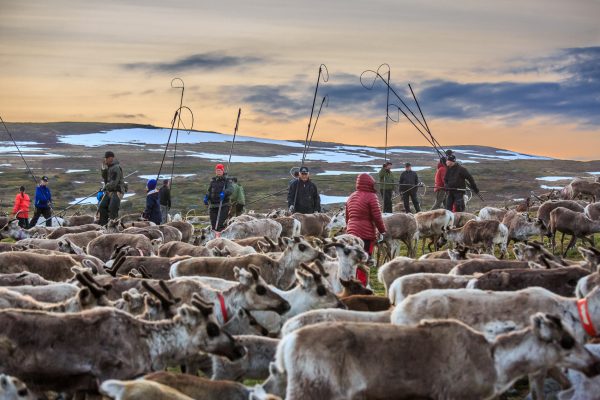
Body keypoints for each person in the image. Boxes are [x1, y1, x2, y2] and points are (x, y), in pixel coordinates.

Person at [345, 173, 386, 286]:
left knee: (352, 259)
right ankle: (361, 285)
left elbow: (347, 217)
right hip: (366, 235)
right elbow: (377, 216)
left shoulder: (351, 196)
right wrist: (382, 231)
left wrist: (349, 230)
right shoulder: (371, 196)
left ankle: (351, 281)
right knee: (364, 259)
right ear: (370, 183)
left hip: (351, 234)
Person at [204, 163, 233, 231]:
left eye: (220, 170)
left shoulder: (227, 180)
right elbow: (209, 191)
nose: (218, 172)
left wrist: (224, 193)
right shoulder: (213, 180)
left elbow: (231, 189)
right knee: (213, 226)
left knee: (220, 225)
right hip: (213, 206)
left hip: (223, 205)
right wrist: (206, 197)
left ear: (223, 171)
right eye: (217, 170)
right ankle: (214, 240)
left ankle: (221, 240)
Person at [99, 151, 125, 226]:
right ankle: (104, 226)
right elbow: (105, 179)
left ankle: (113, 226)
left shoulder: (116, 168)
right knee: (102, 206)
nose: (105, 160)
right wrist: (103, 168)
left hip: (117, 191)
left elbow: (114, 183)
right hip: (110, 191)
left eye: (106, 158)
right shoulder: (109, 167)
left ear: (110, 158)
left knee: (112, 208)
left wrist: (105, 187)